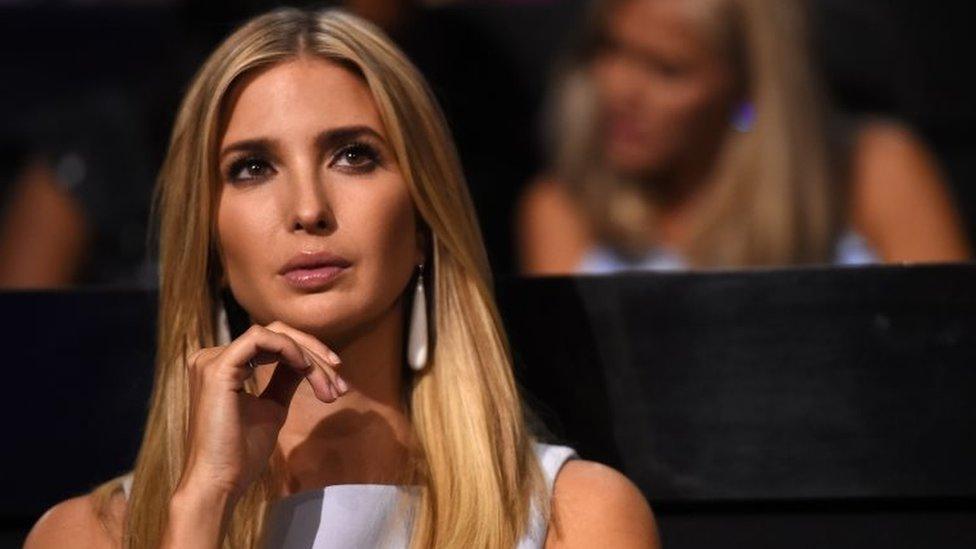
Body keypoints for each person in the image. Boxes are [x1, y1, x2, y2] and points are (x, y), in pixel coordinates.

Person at [24, 8, 659, 549]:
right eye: (251, 167)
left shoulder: (576, 520)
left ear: (422, 219)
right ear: (211, 244)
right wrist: (200, 509)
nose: (307, 209)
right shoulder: (89, 535)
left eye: (354, 155)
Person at [517, 0, 970, 274]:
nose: (619, 90)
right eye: (610, 49)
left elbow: (951, 355)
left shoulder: (875, 170)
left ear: (749, 87)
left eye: (666, 70)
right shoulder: (563, 207)